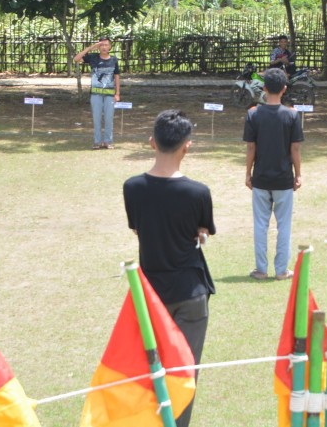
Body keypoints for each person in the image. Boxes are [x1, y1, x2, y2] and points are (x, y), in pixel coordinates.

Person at [123, 110, 216, 427]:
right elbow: (202, 230)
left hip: (150, 295)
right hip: (190, 293)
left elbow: (138, 229)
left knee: (152, 368)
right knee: (185, 372)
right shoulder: (198, 192)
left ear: (152, 143)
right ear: (186, 146)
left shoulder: (132, 187)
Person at [243, 68, 303, 279]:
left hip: (261, 177)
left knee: (260, 224)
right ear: (284, 89)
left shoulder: (253, 114)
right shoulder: (292, 115)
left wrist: (248, 174)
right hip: (284, 178)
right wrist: (298, 174)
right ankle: (281, 270)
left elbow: (251, 148)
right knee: (283, 225)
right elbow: (295, 149)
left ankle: (261, 269)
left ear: (264, 88)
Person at [74, 36, 120, 149]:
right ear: (99, 47)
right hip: (95, 94)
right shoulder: (93, 57)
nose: (104, 47)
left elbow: (117, 76)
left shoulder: (114, 60)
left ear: (110, 46)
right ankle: (97, 142)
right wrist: (91, 47)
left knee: (109, 118)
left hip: (110, 94)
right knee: (97, 118)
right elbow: (76, 59)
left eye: (106, 45)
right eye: (102, 45)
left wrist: (117, 93)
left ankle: (108, 141)